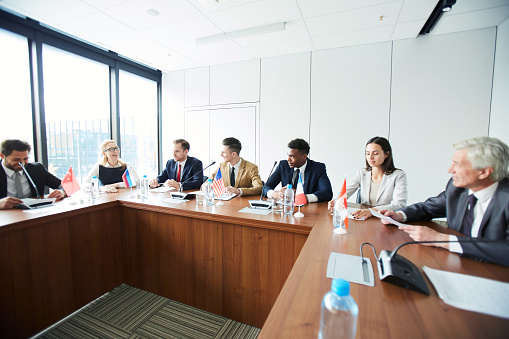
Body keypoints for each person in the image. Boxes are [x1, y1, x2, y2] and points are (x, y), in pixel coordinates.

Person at [380, 136, 509, 267]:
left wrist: (441, 239)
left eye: (457, 164)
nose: (450, 170)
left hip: (495, 273)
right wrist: (400, 215)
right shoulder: (457, 188)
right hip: (457, 264)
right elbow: (428, 208)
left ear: (484, 172)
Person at [328, 136, 408, 219]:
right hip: (364, 217)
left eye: (375, 153)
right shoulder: (362, 173)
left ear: (387, 154)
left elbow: (399, 204)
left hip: (385, 218)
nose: (370, 157)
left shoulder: (399, 175)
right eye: (367, 153)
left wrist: (372, 211)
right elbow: (346, 191)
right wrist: (336, 201)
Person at [0, 139, 65, 209]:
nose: (22, 163)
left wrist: (62, 192)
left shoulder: (37, 169)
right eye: (16, 159)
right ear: (2, 156)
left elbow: (64, 185)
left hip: (34, 214)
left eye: (25, 159)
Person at [263, 138, 333, 203]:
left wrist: (304, 197)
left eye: (292, 156)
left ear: (304, 156)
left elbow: (327, 193)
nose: (288, 159)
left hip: (308, 210)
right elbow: (266, 187)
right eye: (288, 155)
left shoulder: (317, 168)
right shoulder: (283, 165)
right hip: (287, 209)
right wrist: (276, 194)